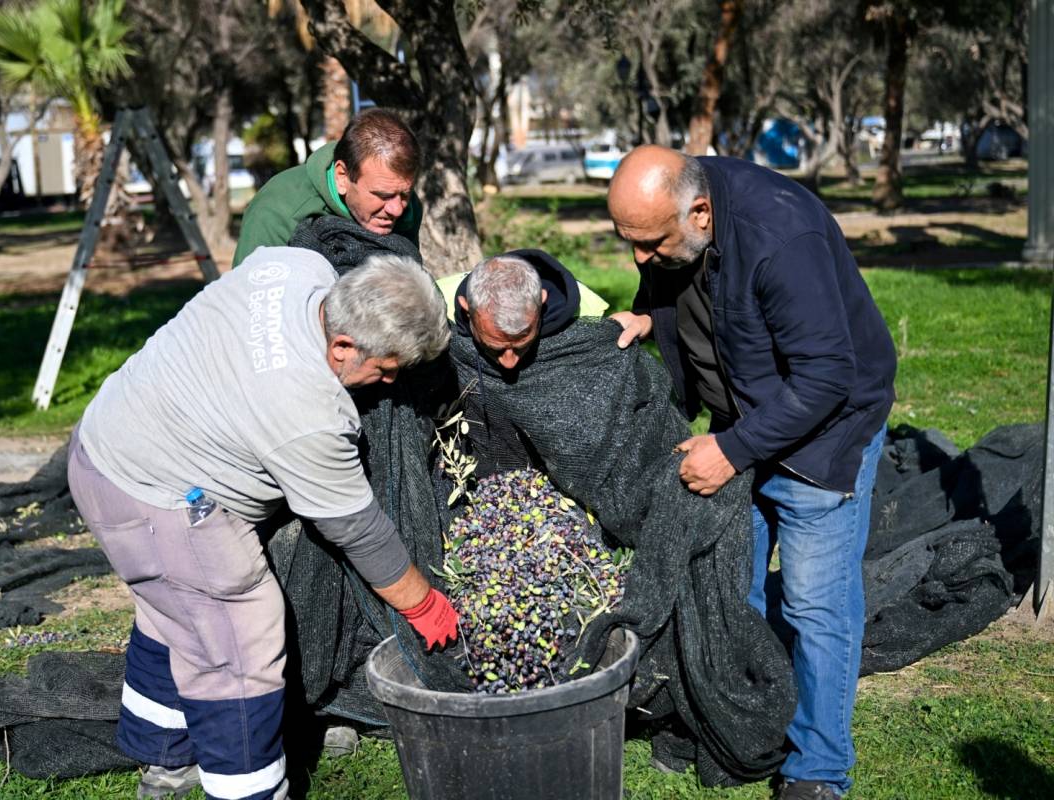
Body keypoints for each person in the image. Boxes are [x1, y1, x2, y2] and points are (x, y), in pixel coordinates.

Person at [67, 247, 459, 800]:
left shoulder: (296, 268)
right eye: (386, 370)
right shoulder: (309, 414)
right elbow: (357, 528)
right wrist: (421, 602)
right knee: (237, 638)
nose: (390, 384)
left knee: (174, 611)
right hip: (159, 499)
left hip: (105, 442)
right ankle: (245, 788)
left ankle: (165, 758)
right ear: (343, 347)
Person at [607, 145, 897, 799]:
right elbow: (684, 295)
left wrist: (734, 449)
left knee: (815, 602)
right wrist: (647, 316)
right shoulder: (681, 211)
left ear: (701, 213)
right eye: (628, 243)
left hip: (824, 433)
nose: (638, 260)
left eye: (650, 244)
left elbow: (828, 375)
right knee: (729, 584)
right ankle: (736, 724)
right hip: (745, 417)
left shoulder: (780, 236)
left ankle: (817, 768)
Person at [232, 109, 423, 267]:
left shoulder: (406, 204)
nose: (396, 209)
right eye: (383, 195)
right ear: (342, 177)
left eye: (404, 194)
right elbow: (247, 301)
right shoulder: (276, 210)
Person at [451, 249, 599, 371]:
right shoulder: (437, 317)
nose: (509, 363)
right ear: (467, 310)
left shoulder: (590, 315)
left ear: (541, 302)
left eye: (521, 346)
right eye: (495, 348)